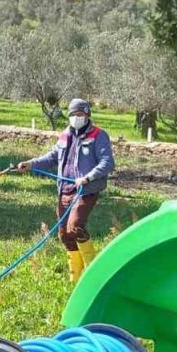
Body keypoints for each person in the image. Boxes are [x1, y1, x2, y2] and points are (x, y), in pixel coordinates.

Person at [18, 98, 115, 284]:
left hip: (85, 190)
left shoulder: (98, 135)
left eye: (80, 114)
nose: (76, 117)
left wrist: (88, 177)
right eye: (73, 114)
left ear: (87, 115)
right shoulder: (65, 135)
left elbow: (107, 162)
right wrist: (30, 164)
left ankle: (92, 273)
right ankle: (75, 277)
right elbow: (52, 157)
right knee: (64, 233)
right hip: (65, 189)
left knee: (75, 226)